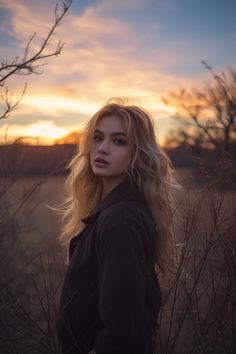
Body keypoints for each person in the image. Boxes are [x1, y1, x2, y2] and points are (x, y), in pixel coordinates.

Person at [56, 99, 176, 354]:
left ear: (138, 153)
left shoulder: (121, 220)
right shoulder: (115, 210)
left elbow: (123, 330)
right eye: (98, 138)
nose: (102, 148)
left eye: (118, 141)